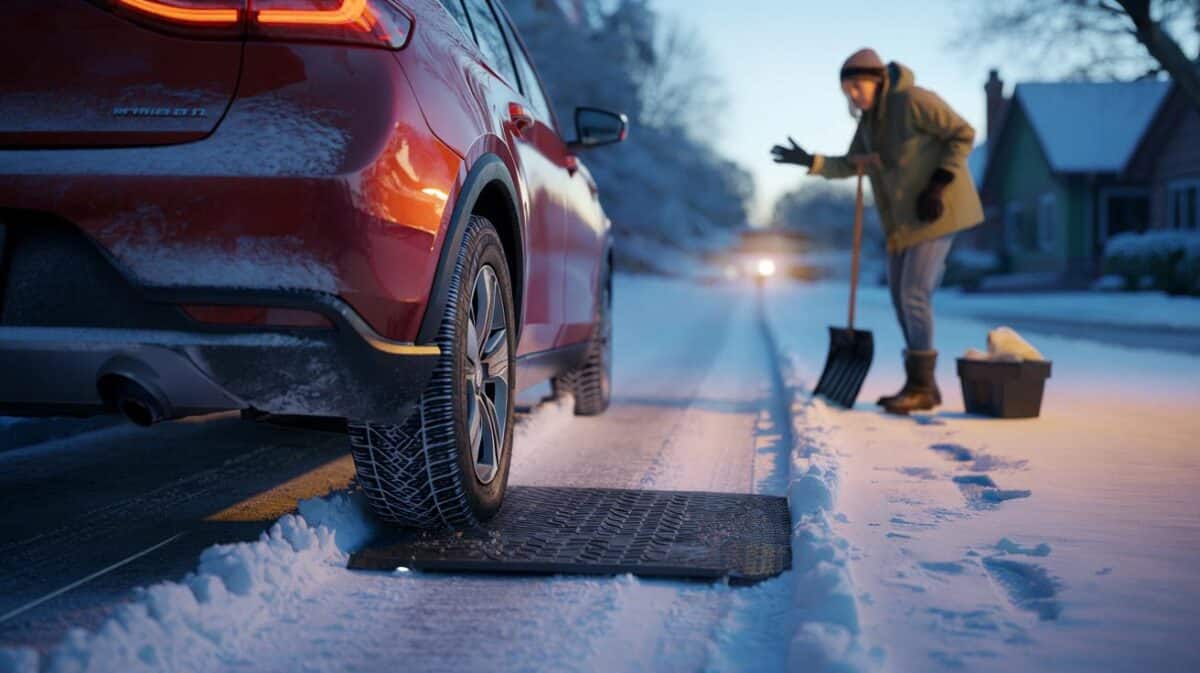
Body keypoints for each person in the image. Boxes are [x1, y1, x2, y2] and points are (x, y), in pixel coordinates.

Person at [771, 48, 982, 414]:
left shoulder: (913, 100)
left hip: (938, 211)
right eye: (847, 90)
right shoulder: (869, 125)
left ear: (878, 78)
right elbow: (851, 165)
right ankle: (921, 384)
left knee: (914, 293)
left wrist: (938, 183)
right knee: (901, 298)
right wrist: (811, 161)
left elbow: (962, 133)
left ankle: (922, 387)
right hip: (902, 223)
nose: (853, 95)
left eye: (857, 85)